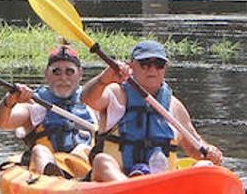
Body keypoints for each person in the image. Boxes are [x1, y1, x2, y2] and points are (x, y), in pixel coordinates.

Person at [81, 40, 223, 183]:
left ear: (165, 67)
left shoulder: (174, 106)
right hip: (117, 183)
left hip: (161, 185)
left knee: (206, 166)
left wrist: (210, 151)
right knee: (101, 161)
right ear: (131, 66)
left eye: (159, 64)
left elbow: (195, 147)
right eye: (145, 63)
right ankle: (131, 190)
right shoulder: (115, 93)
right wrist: (103, 80)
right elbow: (87, 98)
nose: (152, 69)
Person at [0, 42, 97, 178]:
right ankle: (54, 176)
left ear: (80, 74)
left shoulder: (94, 101)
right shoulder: (35, 104)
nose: (63, 78)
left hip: (84, 168)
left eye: (69, 71)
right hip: (47, 171)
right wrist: (9, 101)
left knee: (83, 150)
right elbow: (0, 123)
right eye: (56, 72)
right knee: (40, 150)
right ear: (46, 74)